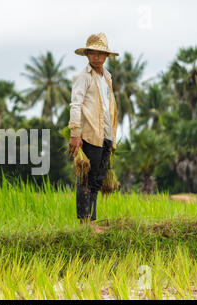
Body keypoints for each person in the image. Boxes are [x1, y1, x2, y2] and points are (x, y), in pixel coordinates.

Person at [68, 33, 119, 234]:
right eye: (93, 53)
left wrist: (112, 136)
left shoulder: (107, 77)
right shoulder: (83, 77)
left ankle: (92, 220)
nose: (97, 57)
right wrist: (75, 133)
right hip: (89, 134)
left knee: (98, 179)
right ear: (87, 55)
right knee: (86, 179)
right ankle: (84, 222)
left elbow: (109, 107)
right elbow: (76, 104)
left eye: (100, 53)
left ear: (106, 56)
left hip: (105, 134)